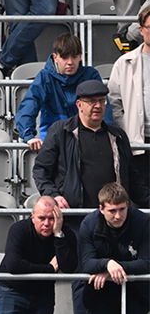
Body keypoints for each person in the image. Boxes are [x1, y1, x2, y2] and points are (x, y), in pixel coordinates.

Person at [35, 79, 144, 220]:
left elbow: (133, 178)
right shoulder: (60, 131)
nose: (98, 106)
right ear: (79, 105)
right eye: (92, 101)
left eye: (101, 101)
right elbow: (41, 170)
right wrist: (54, 195)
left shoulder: (118, 135)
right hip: (74, 217)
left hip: (113, 218)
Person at [78, 182, 150, 314]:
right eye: (112, 211)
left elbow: (147, 263)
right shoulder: (89, 224)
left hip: (136, 295)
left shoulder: (143, 221)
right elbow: (86, 263)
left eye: (122, 209)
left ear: (128, 205)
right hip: (101, 294)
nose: (118, 216)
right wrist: (108, 264)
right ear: (101, 209)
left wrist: (111, 269)